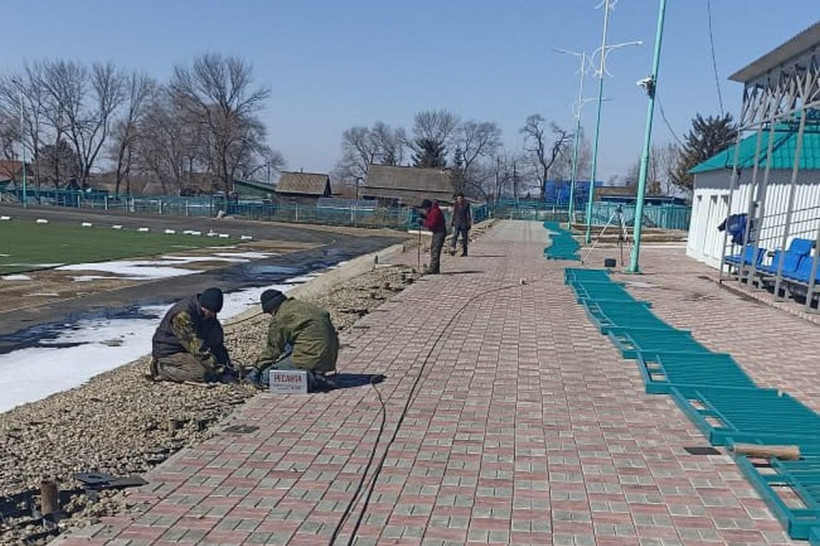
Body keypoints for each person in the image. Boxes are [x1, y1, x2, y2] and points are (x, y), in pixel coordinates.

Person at [244, 289, 339, 390]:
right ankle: (312, 371)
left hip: (314, 357)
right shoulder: (300, 305)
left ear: (272, 309)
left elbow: (273, 349)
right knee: (288, 345)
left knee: (267, 376)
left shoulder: (281, 317)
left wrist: (257, 369)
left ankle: (311, 378)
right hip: (331, 355)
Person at [150, 287, 234, 383]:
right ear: (203, 307)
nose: (212, 315)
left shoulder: (208, 315)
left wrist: (226, 364)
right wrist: (218, 370)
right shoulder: (183, 315)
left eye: (215, 313)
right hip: (169, 351)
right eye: (211, 312)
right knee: (202, 374)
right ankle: (161, 368)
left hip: (185, 349)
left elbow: (217, 341)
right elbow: (195, 346)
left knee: (210, 368)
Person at [419, 198, 447, 275]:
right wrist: (425, 217)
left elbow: (432, 223)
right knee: (434, 249)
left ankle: (433, 268)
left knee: (435, 250)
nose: (425, 210)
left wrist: (423, 223)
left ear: (428, 207)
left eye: (425, 209)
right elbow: (430, 218)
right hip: (437, 232)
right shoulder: (433, 211)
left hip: (439, 232)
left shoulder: (435, 212)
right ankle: (435, 268)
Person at [449, 192, 472, 257]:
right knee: (455, 236)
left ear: (462, 198)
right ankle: (453, 248)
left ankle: (465, 252)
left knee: (465, 238)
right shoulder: (455, 205)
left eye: (460, 198)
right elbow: (453, 213)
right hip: (457, 223)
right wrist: (452, 221)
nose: (459, 200)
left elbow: (468, 215)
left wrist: (469, 223)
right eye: (458, 198)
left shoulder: (466, 205)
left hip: (464, 223)